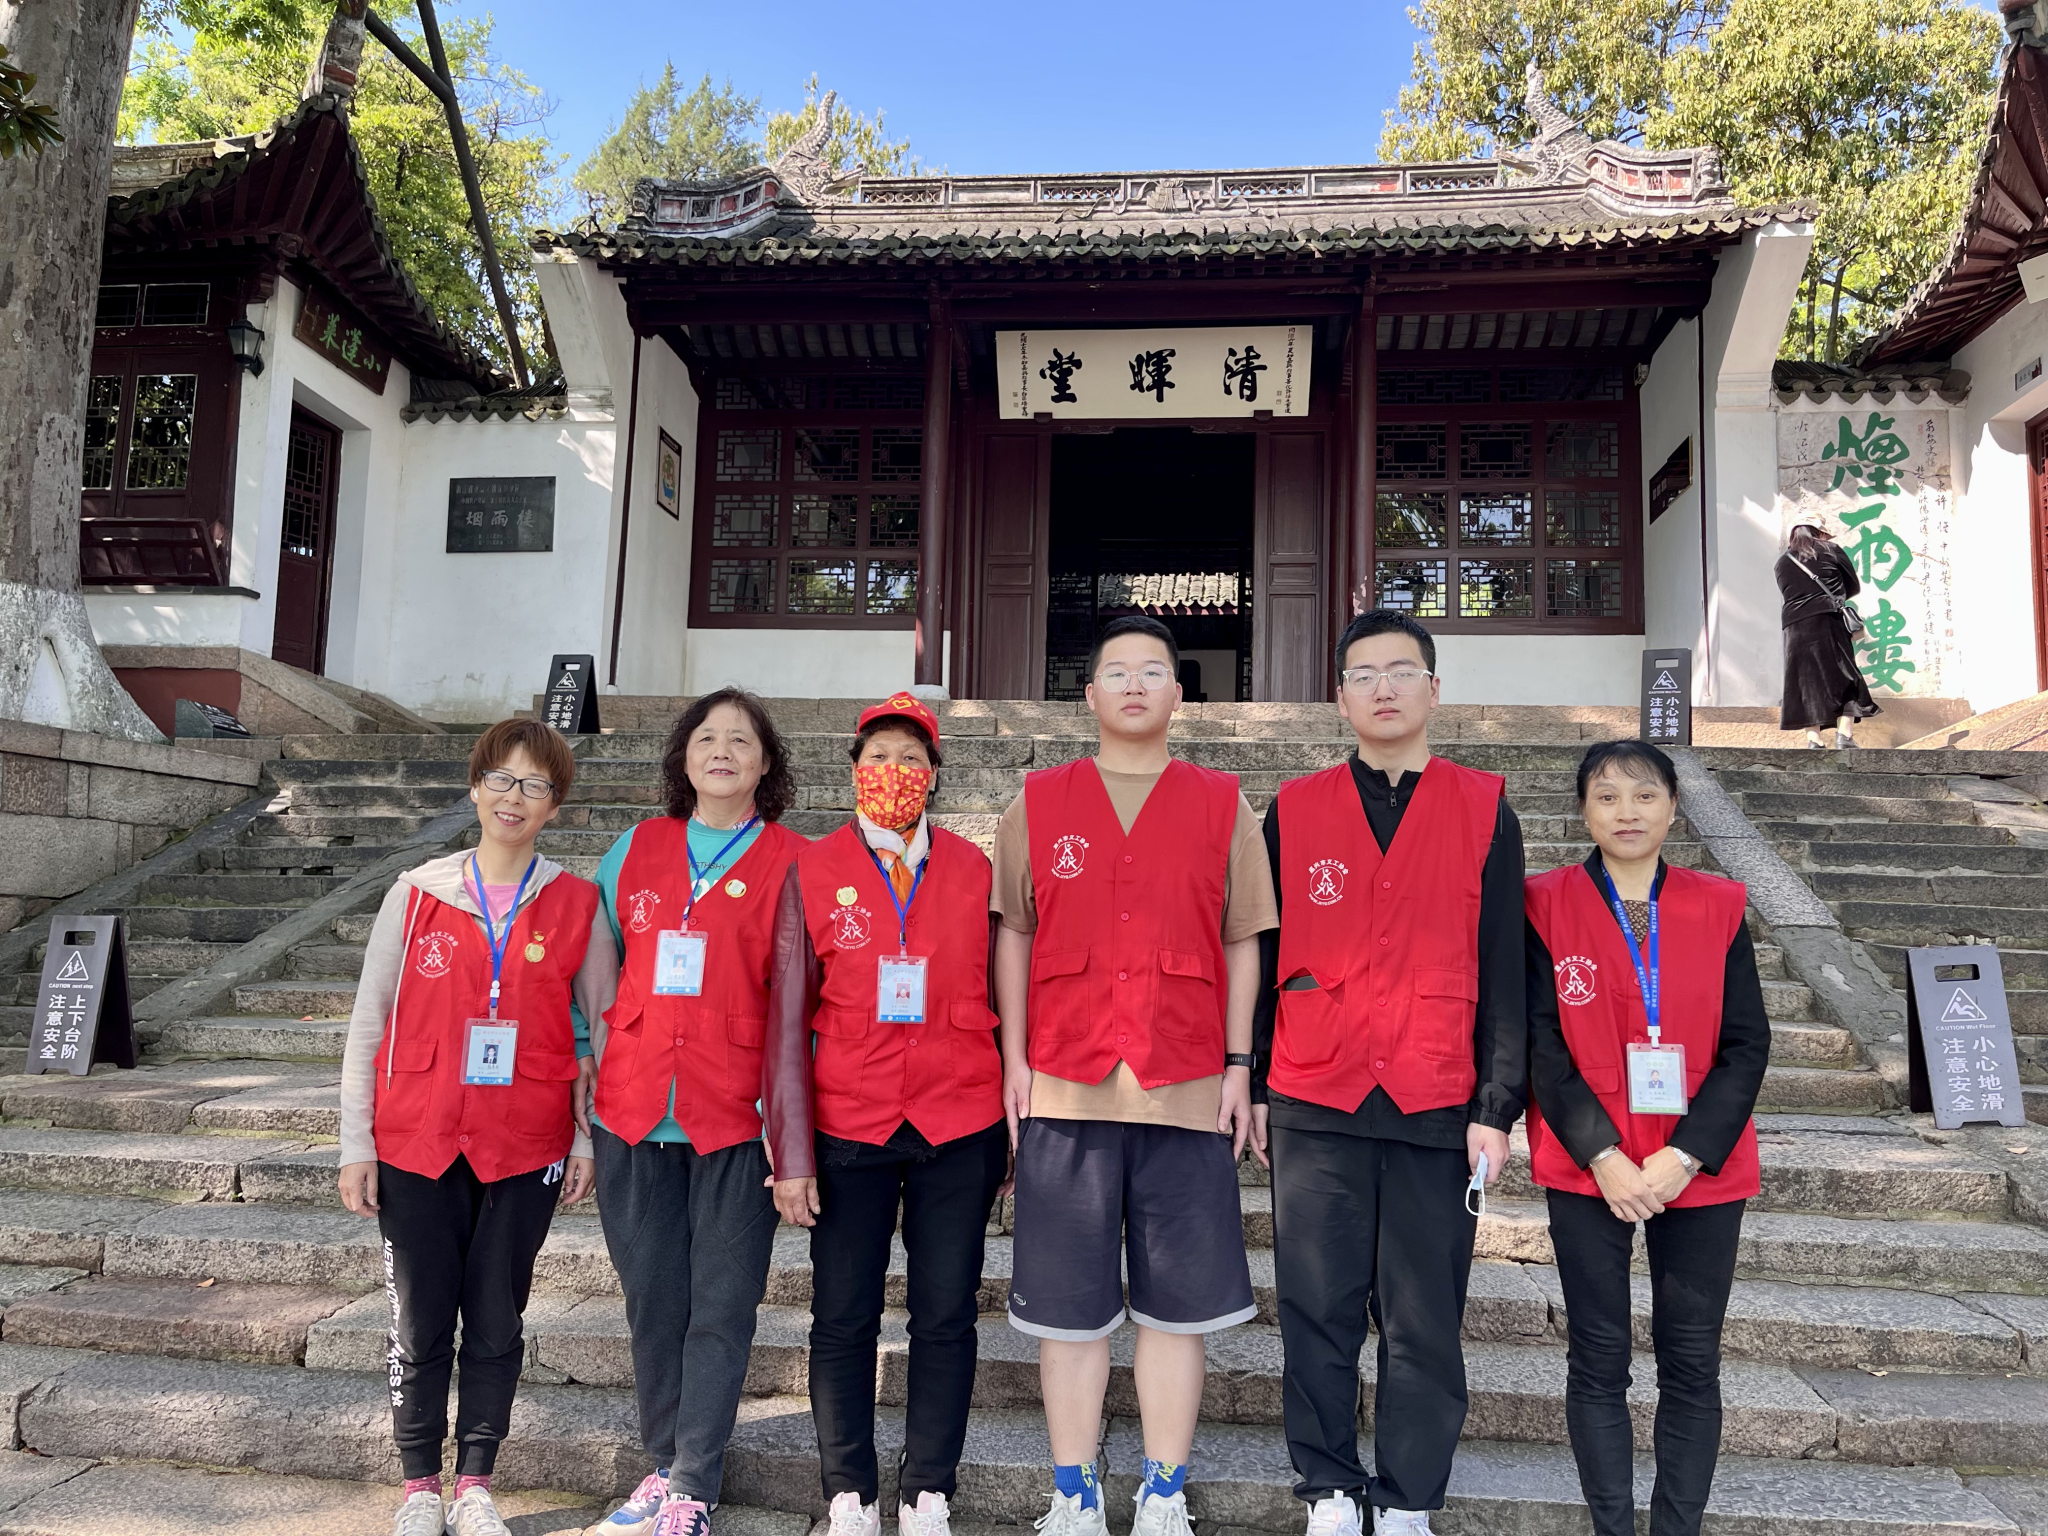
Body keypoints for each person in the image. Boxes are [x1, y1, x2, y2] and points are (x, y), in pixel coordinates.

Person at [994, 615, 1276, 1536]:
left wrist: (1239, 1064)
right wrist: (1015, 1062)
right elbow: (1015, 933)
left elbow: (1244, 939)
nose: (1134, 684)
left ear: (1178, 694)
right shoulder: (1038, 802)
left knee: (1176, 1311)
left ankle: (1163, 1489)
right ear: (1089, 694)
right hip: (1065, 1082)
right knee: (1068, 1311)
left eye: (1153, 671)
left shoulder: (1222, 803)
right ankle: (1072, 1493)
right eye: (1116, 671)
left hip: (1185, 1083)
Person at [1252, 609, 1526, 1536]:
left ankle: (1409, 1496)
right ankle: (1329, 1486)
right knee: (1315, 1304)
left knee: (1424, 1314)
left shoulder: (1484, 807)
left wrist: (1497, 1105)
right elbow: (1265, 951)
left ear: (1433, 690)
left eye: (1401, 670)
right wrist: (1254, 1077)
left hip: (1437, 1093)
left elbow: (1506, 966)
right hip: (1314, 1089)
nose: (1383, 688)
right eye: (1363, 674)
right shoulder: (1295, 808)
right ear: (1340, 697)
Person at [338, 717, 608, 1536]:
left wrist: (587, 1138)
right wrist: (356, 1143)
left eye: (535, 785)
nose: (513, 797)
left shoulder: (576, 903)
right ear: (475, 787)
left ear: (555, 805)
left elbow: (603, 1032)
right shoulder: (417, 894)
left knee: (497, 1317)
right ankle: (420, 1485)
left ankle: (476, 1484)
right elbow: (369, 1021)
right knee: (419, 1321)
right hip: (416, 1138)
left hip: (525, 1144)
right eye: (501, 778)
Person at [765, 692, 1008, 1536]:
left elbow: (1005, 995)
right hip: (849, 1124)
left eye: (910, 759)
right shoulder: (812, 867)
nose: (893, 773)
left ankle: (929, 1487)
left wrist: (1013, 1127)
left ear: (934, 775)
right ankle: (849, 1490)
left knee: (947, 1311)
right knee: (843, 1314)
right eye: (877, 758)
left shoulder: (974, 870)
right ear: (854, 771)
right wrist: (790, 1152)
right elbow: (786, 1017)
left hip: (959, 1121)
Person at [1525, 740, 1769, 1536]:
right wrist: (1603, 1155)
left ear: (1673, 807)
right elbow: (1540, 1042)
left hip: (1698, 1166)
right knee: (1598, 1357)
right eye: (1606, 797)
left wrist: (1686, 1154)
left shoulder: (1718, 904)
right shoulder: (1544, 903)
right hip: (1589, 1166)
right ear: (1583, 811)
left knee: (1691, 1358)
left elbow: (1747, 1044)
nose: (1625, 812)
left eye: (1643, 795)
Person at [581, 688, 810, 1536]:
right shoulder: (637, 847)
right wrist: (592, 1049)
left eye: (741, 741)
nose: (722, 751)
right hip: (633, 1108)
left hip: (735, 1115)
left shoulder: (793, 859)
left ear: (765, 764)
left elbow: (804, 996)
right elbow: (595, 961)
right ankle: (661, 1461)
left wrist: (791, 1131)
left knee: (721, 1302)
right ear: (684, 756)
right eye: (707, 737)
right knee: (652, 1297)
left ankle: (692, 1485)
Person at [1776, 520, 1878, 749]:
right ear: (1819, 532)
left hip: (1794, 626)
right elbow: (1852, 586)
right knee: (1844, 674)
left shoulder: (1783, 561)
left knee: (1804, 681)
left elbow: (1787, 592)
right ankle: (1844, 735)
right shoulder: (1831, 550)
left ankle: (1814, 740)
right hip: (1828, 620)